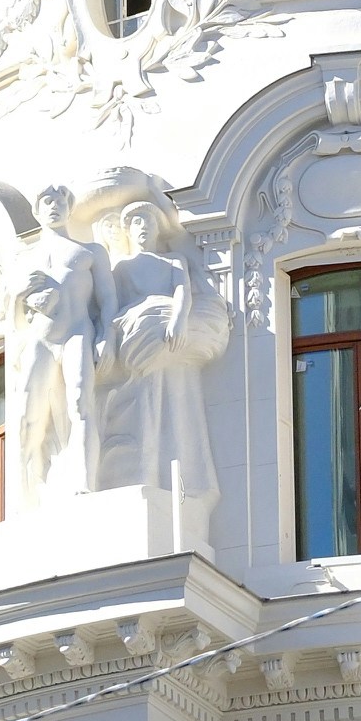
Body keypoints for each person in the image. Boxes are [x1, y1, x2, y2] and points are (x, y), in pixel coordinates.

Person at [95, 191, 232, 546]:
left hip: (172, 344)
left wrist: (177, 321)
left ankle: (183, 485)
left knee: (179, 409)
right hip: (138, 348)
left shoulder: (173, 261)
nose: (142, 228)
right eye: (136, 222)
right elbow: (112, 309)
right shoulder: (121, 268)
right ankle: (138, 476)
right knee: (140, 410)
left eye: (148, 221)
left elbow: (184, 293)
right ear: (128, 230)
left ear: (157, 228)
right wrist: (111, 339)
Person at [6, 185, 116, 508]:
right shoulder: (26, 259)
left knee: (81, 402)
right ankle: (26, 495)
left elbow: (108, 299)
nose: (53, 207)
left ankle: (84, 481)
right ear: (37, 212)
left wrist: (106, 334)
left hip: (77, 332)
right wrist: (20, 295)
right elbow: (14, 320)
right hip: (41, 338)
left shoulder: (90, 252)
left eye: (59, 201)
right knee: (28, 414)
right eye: (46, 202)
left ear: (69, 207)